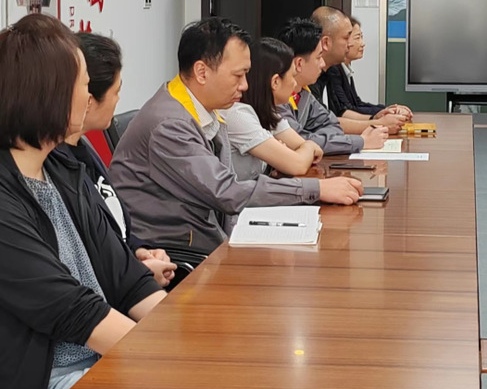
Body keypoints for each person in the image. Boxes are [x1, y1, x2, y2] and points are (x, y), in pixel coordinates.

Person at [0, 15, 165, 389]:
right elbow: (69, 309)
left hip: (104, 359)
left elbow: (126, 279)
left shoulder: (62, 167)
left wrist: (177, 334)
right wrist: (165, 357)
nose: (89, 95)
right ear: (49, 94)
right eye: (83, 83)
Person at [111, 18, 363, 260]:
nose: (245, 85)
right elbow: (227, 191)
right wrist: (317, 189)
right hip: (176, 252)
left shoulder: (204, 108)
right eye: (238, 75)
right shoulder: (170, 124)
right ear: (202, 72)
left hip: (207, 235)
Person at [51, 32, 177, 287]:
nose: (118, 100)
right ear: (88, 99)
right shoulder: (56, 167)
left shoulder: (84, 148)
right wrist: (137, 273)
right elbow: (86, 260)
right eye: (116, 91)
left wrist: (140, 250)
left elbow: (116, 226)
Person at [219, 37, 326, 181]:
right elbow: (298, 164)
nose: (295, 84)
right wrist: (302, 149)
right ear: (275, 82)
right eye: (293, 76)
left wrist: (300, 151)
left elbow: (312, 151)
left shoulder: (268, 111)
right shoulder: (237, 114)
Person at [276, 17, 388, 153]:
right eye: (318, 57)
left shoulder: (304, 93)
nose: (322, 63)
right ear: (299, 63)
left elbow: (332, 124)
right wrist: (361, 142)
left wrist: (318, 139)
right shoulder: (277, 98)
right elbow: (298, 140)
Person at [310, 7, 409, 132]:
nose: (349, 44)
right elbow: (329, 119)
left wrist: (377, 117)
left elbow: (326, 119)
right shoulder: (311, 78)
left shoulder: (325, 74)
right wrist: (376, 123)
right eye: (347, 38)